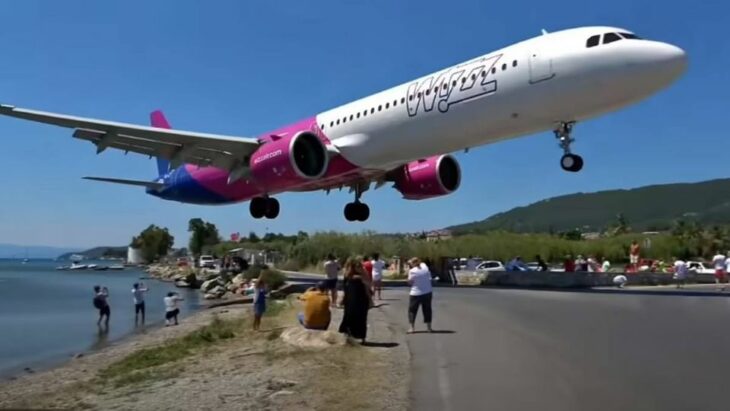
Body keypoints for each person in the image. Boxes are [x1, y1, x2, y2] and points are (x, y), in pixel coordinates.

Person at [338, 257, 370, 343]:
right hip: (352, 300)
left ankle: (361, 338)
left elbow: (367, 286)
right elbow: (345, 288)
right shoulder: (348, 274)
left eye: (359, 265)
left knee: (360, 318)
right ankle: (349, 337)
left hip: (360, 299)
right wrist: (342, 299)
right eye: (357, 265)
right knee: (351, 317)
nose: (359, 267)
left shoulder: (362, 274)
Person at [407, 257, 433, 333]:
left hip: (416, 293)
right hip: (427, 291)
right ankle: (429, 328)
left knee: (412, 310)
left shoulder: (412, 271)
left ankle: (412, 328)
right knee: (427, 310)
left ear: (413, 264)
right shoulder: (425, 267)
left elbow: (410, 282)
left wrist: (408, 270)